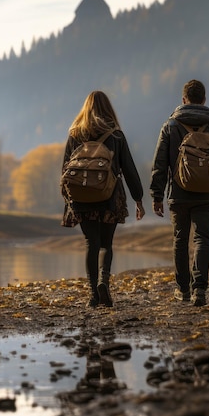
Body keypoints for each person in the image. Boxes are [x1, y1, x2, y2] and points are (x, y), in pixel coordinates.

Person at [150, 79, 209, 307]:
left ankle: (183, 290)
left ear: (183, 99)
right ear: (204, 100)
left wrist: (156, 196)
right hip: (208, 193)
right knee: (203, 239)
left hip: (179, 193)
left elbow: (160, 164)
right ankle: (200, 290)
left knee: (180, 239)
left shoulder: (171, 125)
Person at [61, 90, 145, 308]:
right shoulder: (116, 135)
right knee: (106, 243)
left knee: (91, 243)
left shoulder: (75, 134)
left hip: (81, 198)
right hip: (110, 196)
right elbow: (128, 169)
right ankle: (103, 282)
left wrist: (68, 200)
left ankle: (92, 295)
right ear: (108, 109)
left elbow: (65, 170)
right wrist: (139, 198)